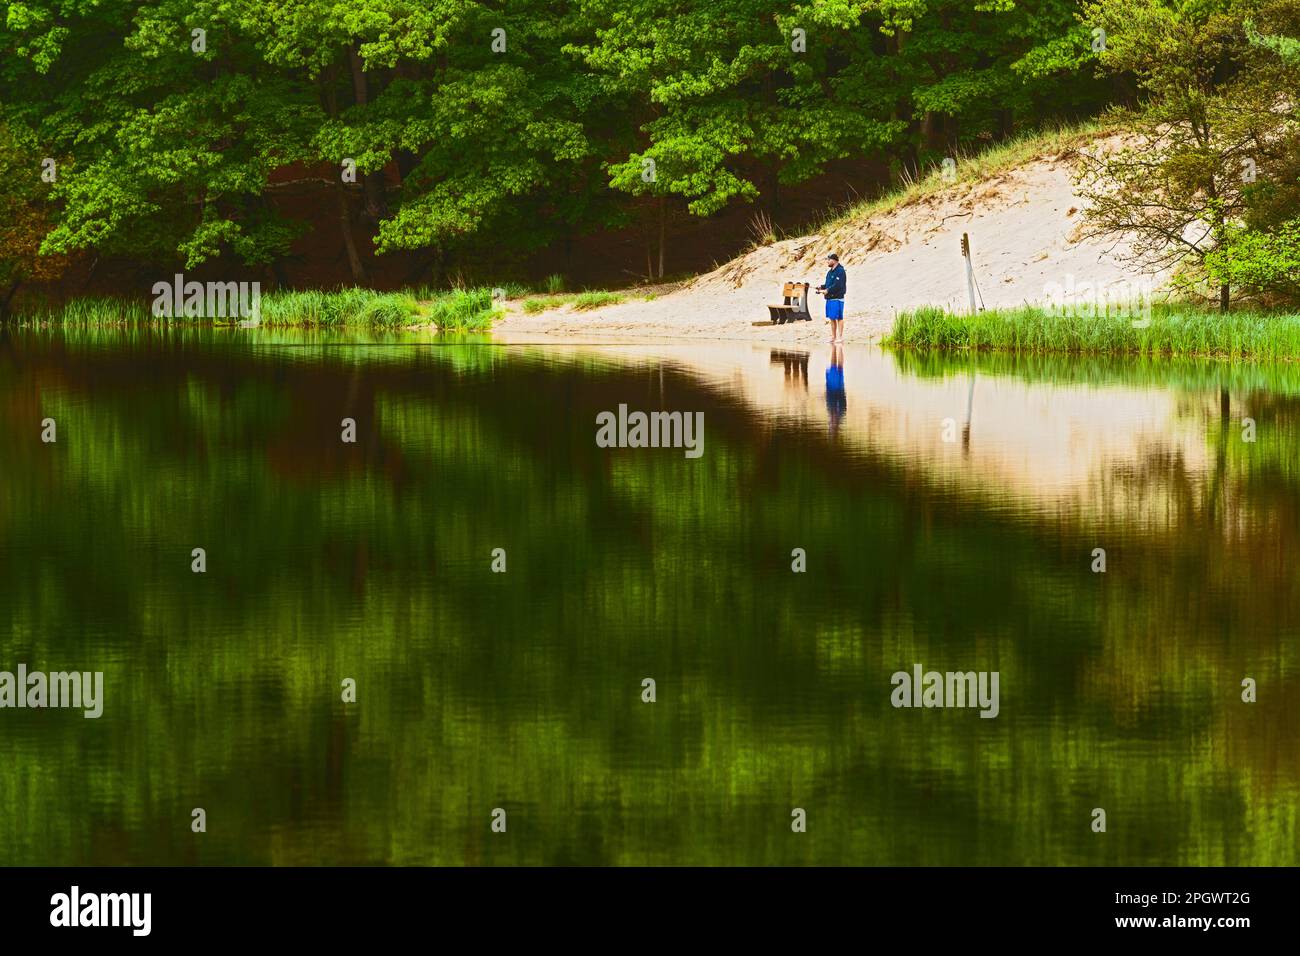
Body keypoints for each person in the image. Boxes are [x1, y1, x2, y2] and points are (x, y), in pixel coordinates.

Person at [816, 253, 847, 343]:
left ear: (834, 260)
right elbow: (828, 285)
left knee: (839, 318)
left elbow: (838, 285)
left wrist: (827, 290)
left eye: (828, 260)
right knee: (832, 318)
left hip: (838, 298)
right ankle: (833, 337)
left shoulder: (840, 271)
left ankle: (840, 337)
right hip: (829, 298)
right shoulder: (830, 272)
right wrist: (821, 287)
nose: (827, 262)